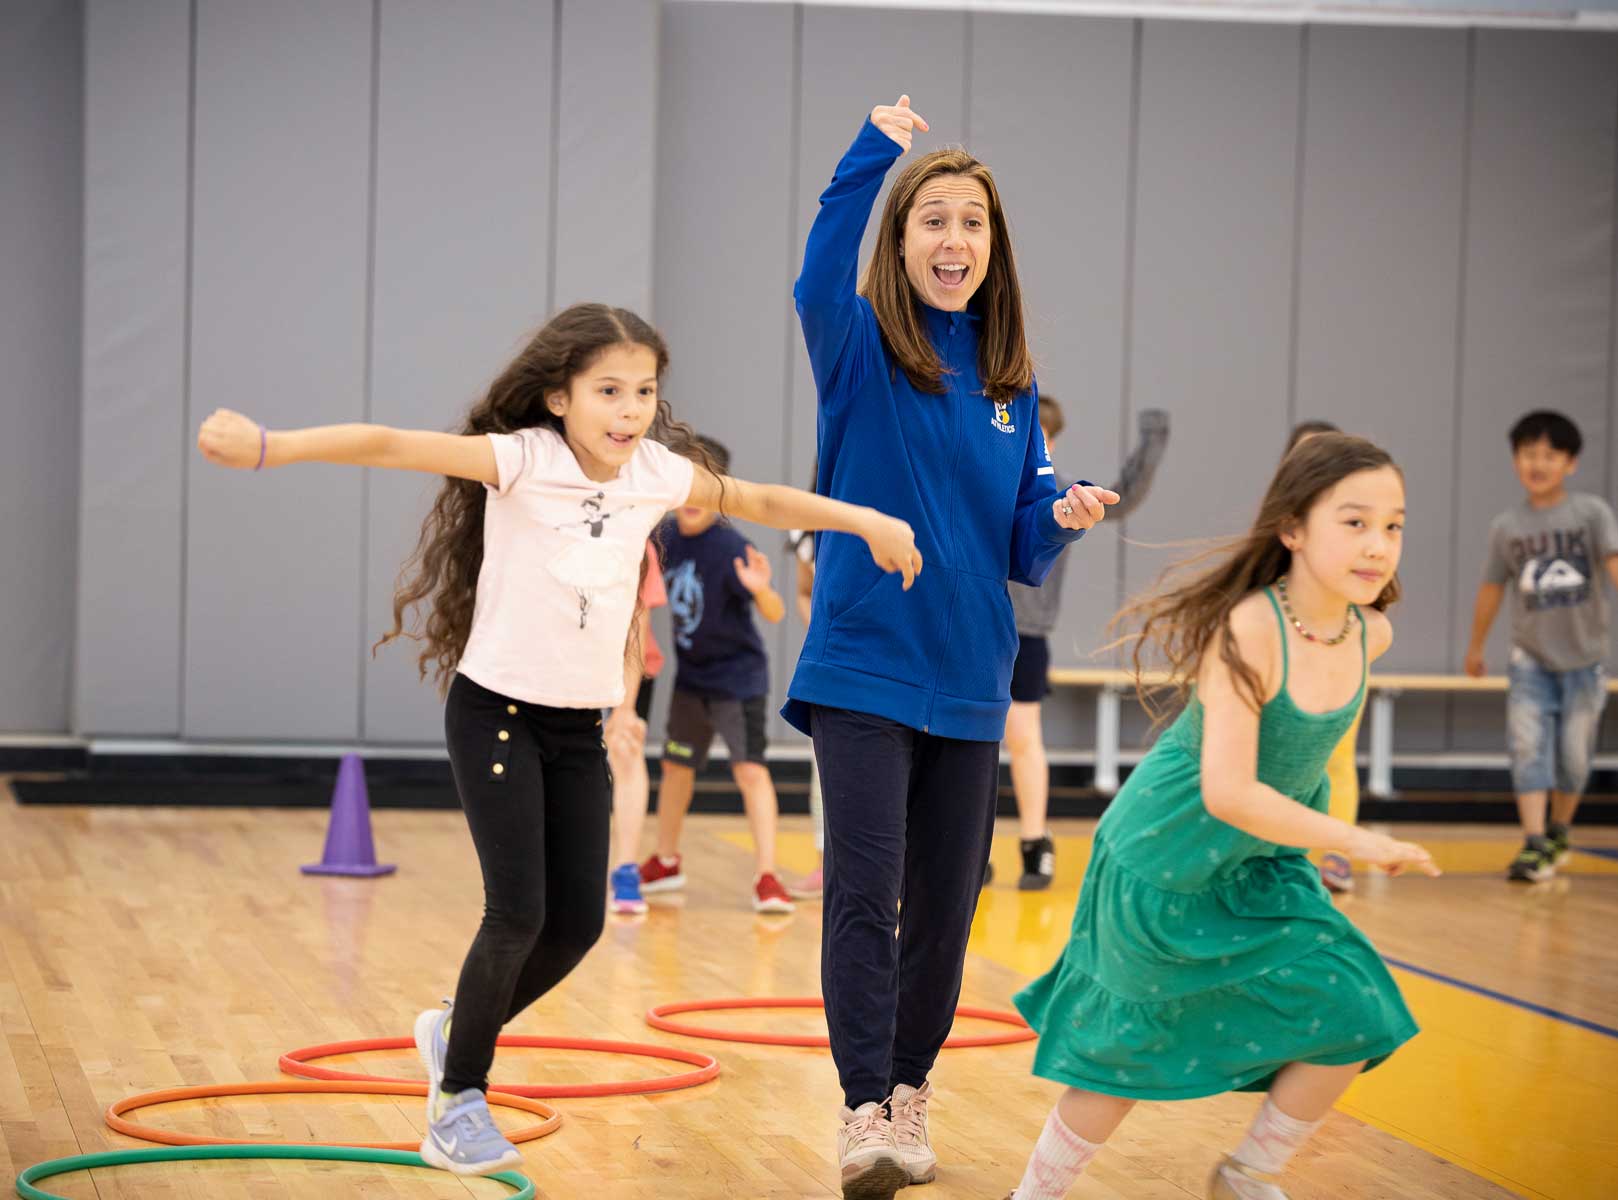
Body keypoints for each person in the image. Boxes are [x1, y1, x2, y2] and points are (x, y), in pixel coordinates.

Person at [195, 302, 920, 1176]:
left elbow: (758, 498)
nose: (629, 409)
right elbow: (390, 444)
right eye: (608, 390)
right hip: (496, 713)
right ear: (557, 397)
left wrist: (867, 523)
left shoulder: (655, 472)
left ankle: (453, 1031)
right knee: (518, 911)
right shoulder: (521, 459)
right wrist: (270, 445)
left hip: (578, 727)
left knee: (576, 924)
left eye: (644, 391)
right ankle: (458, 1097)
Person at [785, 94, 1117, 1199]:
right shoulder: (860, 344)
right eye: (933, 218)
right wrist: (875, 153)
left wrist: (1056, 516)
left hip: (970, 679)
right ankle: (863, 1107)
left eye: (971, 222)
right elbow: (815, 274)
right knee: (861, 891)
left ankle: (912, 1088)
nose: (953, 240)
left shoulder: (1010, 382)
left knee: (945, 903)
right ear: (902, 237)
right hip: (865, 664)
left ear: (992, 247)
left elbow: (1016, 541)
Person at [1004, 433, 1439, 1200]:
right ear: (1293, 530)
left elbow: (1311, 763)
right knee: (1130, 1054)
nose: (1379, 546)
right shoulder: (1251, 628)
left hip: (1261, 862)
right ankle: (1033, 1195)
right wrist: (1357, 841)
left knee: (1356, 1004)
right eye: (1355, 522)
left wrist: (1327, 839)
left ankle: (1247, 1174)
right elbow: (1229, 792)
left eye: (1394, 526)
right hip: (1161, 858)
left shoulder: (1373, 632)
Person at [1001, 402, 1170, 890]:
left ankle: (1036, 842)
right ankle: (974, 846)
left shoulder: (1060, 490)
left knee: (1023, 736)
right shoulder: (989, 477)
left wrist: (1152, 439)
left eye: (1045, 439)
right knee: (970, 742)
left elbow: (1124, 497)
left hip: (1026, 632)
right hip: (973, 622)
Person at [638, 435, 795, 913]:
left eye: (702, 486)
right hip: (691, 681)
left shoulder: (732, 546)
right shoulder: (662, 536)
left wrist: (762, 589)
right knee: (676, 768)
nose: (690, 498)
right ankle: (666, 860)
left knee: (750, 771)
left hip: (738, 681)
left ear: (720, 492)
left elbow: (774, 612)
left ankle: (767, 876)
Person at [1462, 409, 1618, 882]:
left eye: (1550, 455)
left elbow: (1612, 563)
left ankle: (1559, 829)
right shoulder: (1507, 527)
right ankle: (1532, 841)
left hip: (1584, 658)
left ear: (1570, 464)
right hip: (1529, 657)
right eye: (1528, 454)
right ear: (1515, 461)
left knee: (1574, 755)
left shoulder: (1590, 513)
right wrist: (1476, 645)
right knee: (1527, 746)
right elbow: (1491, 588)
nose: (1538, 463)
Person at [1282, 421, 1361, 894]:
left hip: (1340, 645)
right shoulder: (1283, 519)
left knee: (1339, 753)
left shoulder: (1357, 520)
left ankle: (1337, 854)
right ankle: (1283, 851)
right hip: (1290, 648)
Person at [606, 541, 667, 915]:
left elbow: (637, 619)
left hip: (629, 667)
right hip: (570, 666)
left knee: (625, 751)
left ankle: (626, 869)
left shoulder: (636, 542)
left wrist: (625, 708)